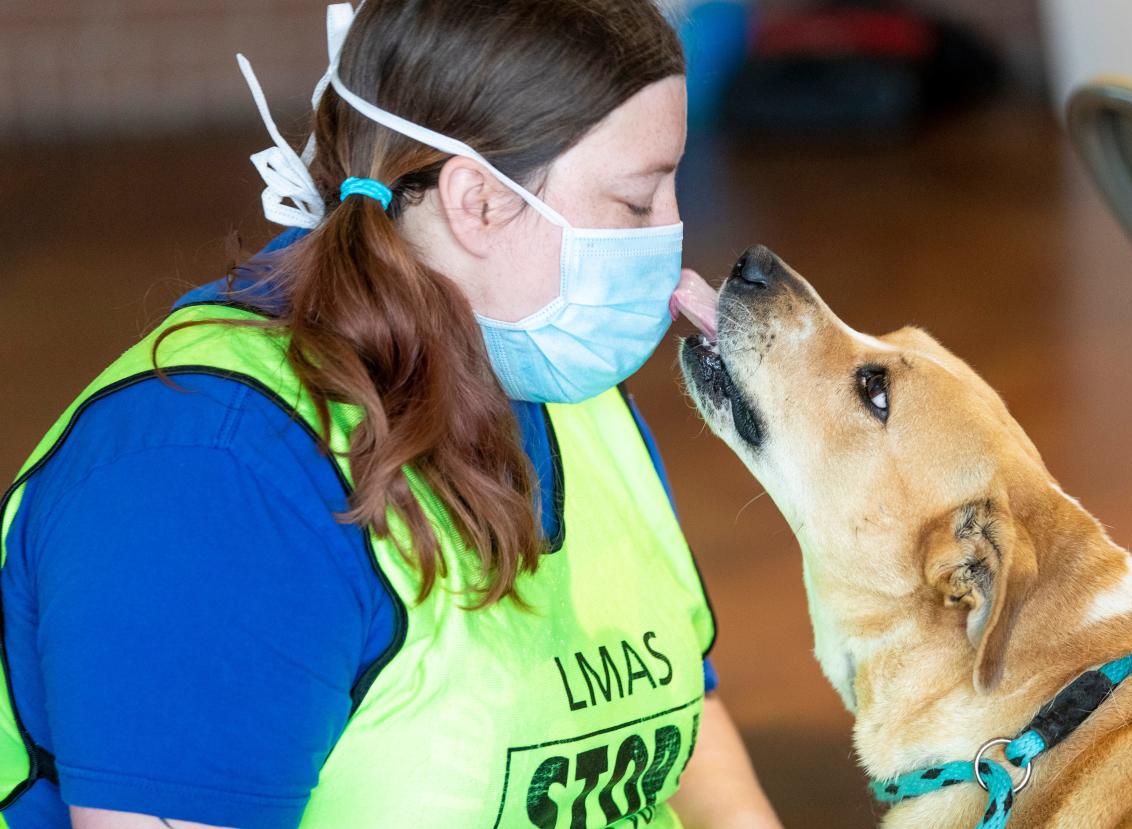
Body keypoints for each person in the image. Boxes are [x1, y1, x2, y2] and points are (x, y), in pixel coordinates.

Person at [0, 1, 781, 827]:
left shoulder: (568, 393)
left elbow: (682, 728)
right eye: (637, 200)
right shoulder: (209, 479)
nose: (673, 236)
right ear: (477, 200)